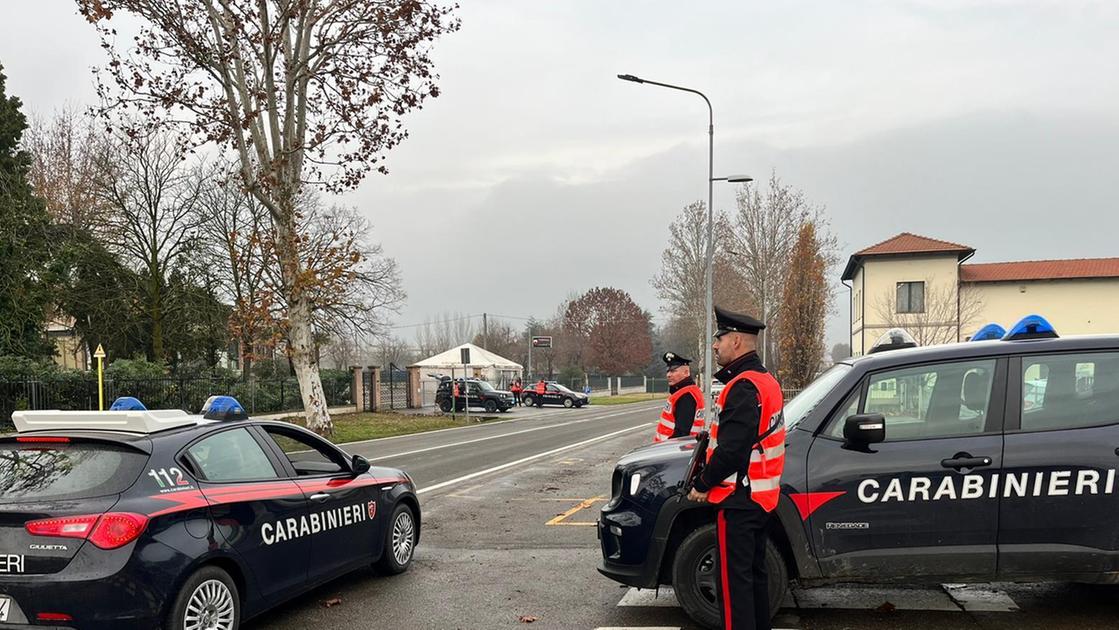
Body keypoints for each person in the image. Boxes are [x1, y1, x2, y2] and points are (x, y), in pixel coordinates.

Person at [687, 305, 785, 630]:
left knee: (733, 588)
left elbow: (732, 450)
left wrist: (702, 483)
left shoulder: (743, 386)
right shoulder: (765, 380)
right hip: (759, 498)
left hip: (739, 500)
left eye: (720, 339)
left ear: (737, 342)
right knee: (753, 579)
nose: (715, 346)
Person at [654, 352, 705, 443]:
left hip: (672, 451)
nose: (668, 375)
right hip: (681, 449)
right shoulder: (688, 391)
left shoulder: (686, 396)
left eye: (673, 371)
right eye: (668, 371)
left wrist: (664, 449)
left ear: (686, 372)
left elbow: (682, 434)